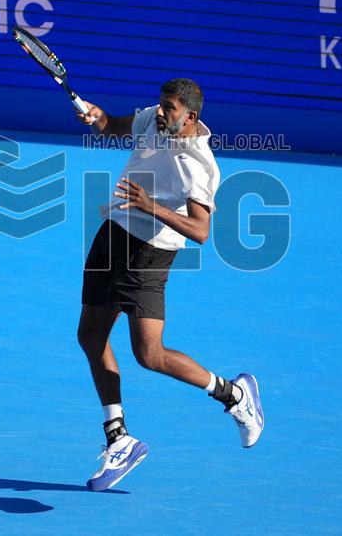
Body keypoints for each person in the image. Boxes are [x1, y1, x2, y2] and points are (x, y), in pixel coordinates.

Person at [76, 78, 264, 492]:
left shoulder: (199, 164)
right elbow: (112, 127)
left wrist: (150, 206)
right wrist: (97, 116)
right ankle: (119, 438)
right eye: (161, 104)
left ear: (191, 117)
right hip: (113, 234)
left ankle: (233, 396)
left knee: (150, 354)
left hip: (148, 253)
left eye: (170, 109)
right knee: (90, 335)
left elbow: (200, 230)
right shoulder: (152, 120)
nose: (160, 112)